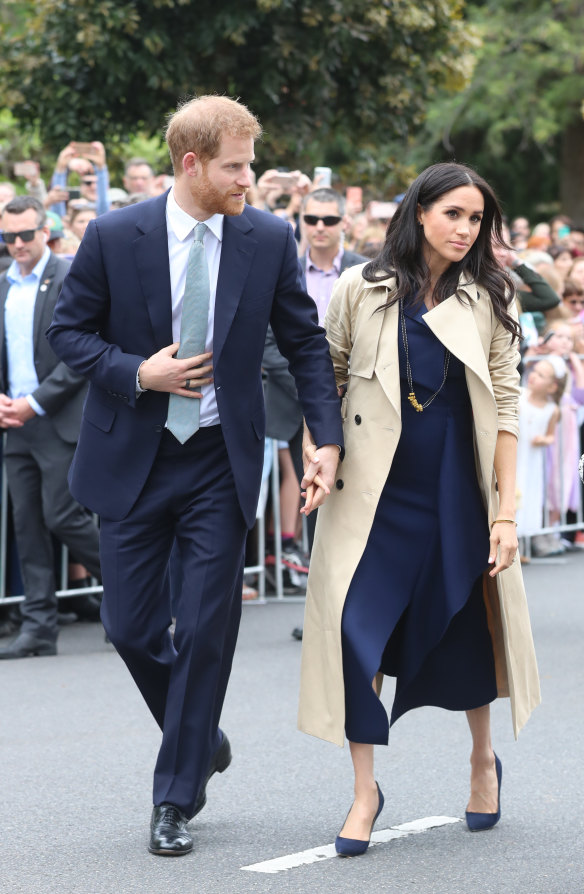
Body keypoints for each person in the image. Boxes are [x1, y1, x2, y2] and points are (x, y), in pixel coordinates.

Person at [47, 95, 343, 857]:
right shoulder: (116, 236)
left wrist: (326, 439)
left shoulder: (268, 237)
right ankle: (200, 735)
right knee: (130, 628)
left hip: (220, 458)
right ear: (191, 165)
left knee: (207, 630)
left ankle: (175, 798)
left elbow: (305, 345)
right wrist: (135, 371)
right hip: (134, 461)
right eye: (237, 166)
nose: (251, 178)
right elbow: (67, 331)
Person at [298, 162, 540, 857]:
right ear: (421, 212)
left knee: (464, 626)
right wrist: (322, 451)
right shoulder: (360, 286)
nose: (466, 229)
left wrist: (503, 513)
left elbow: (507, 404)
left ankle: (482, 759)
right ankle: (365, 790)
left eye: (477, 219)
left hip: (453, 489)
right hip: (371, 496)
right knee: (354, 631)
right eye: (454, 214)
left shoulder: (494, 296)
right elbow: (330, 380)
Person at [0, 196, 101, 659]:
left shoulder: (67, 277)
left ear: (45, 231)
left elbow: (81, 351)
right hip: (14, 423)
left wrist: (35, 403)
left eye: (25, 234)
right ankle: (38, 626)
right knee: (27, 524)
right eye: (8, 237)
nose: (17, 244)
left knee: (63, 517)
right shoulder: (3, 284)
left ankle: (140, 592)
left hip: (56, 419)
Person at [516, 358, 562, 560]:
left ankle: (523, 545)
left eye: (541, 375)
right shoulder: (519, 396)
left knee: (529, 495)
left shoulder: (552, 410)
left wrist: (543, 439)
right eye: (535, 371)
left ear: (552, 387)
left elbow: (552, 434)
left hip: (533, 460)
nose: (534, 375)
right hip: (517, 454)